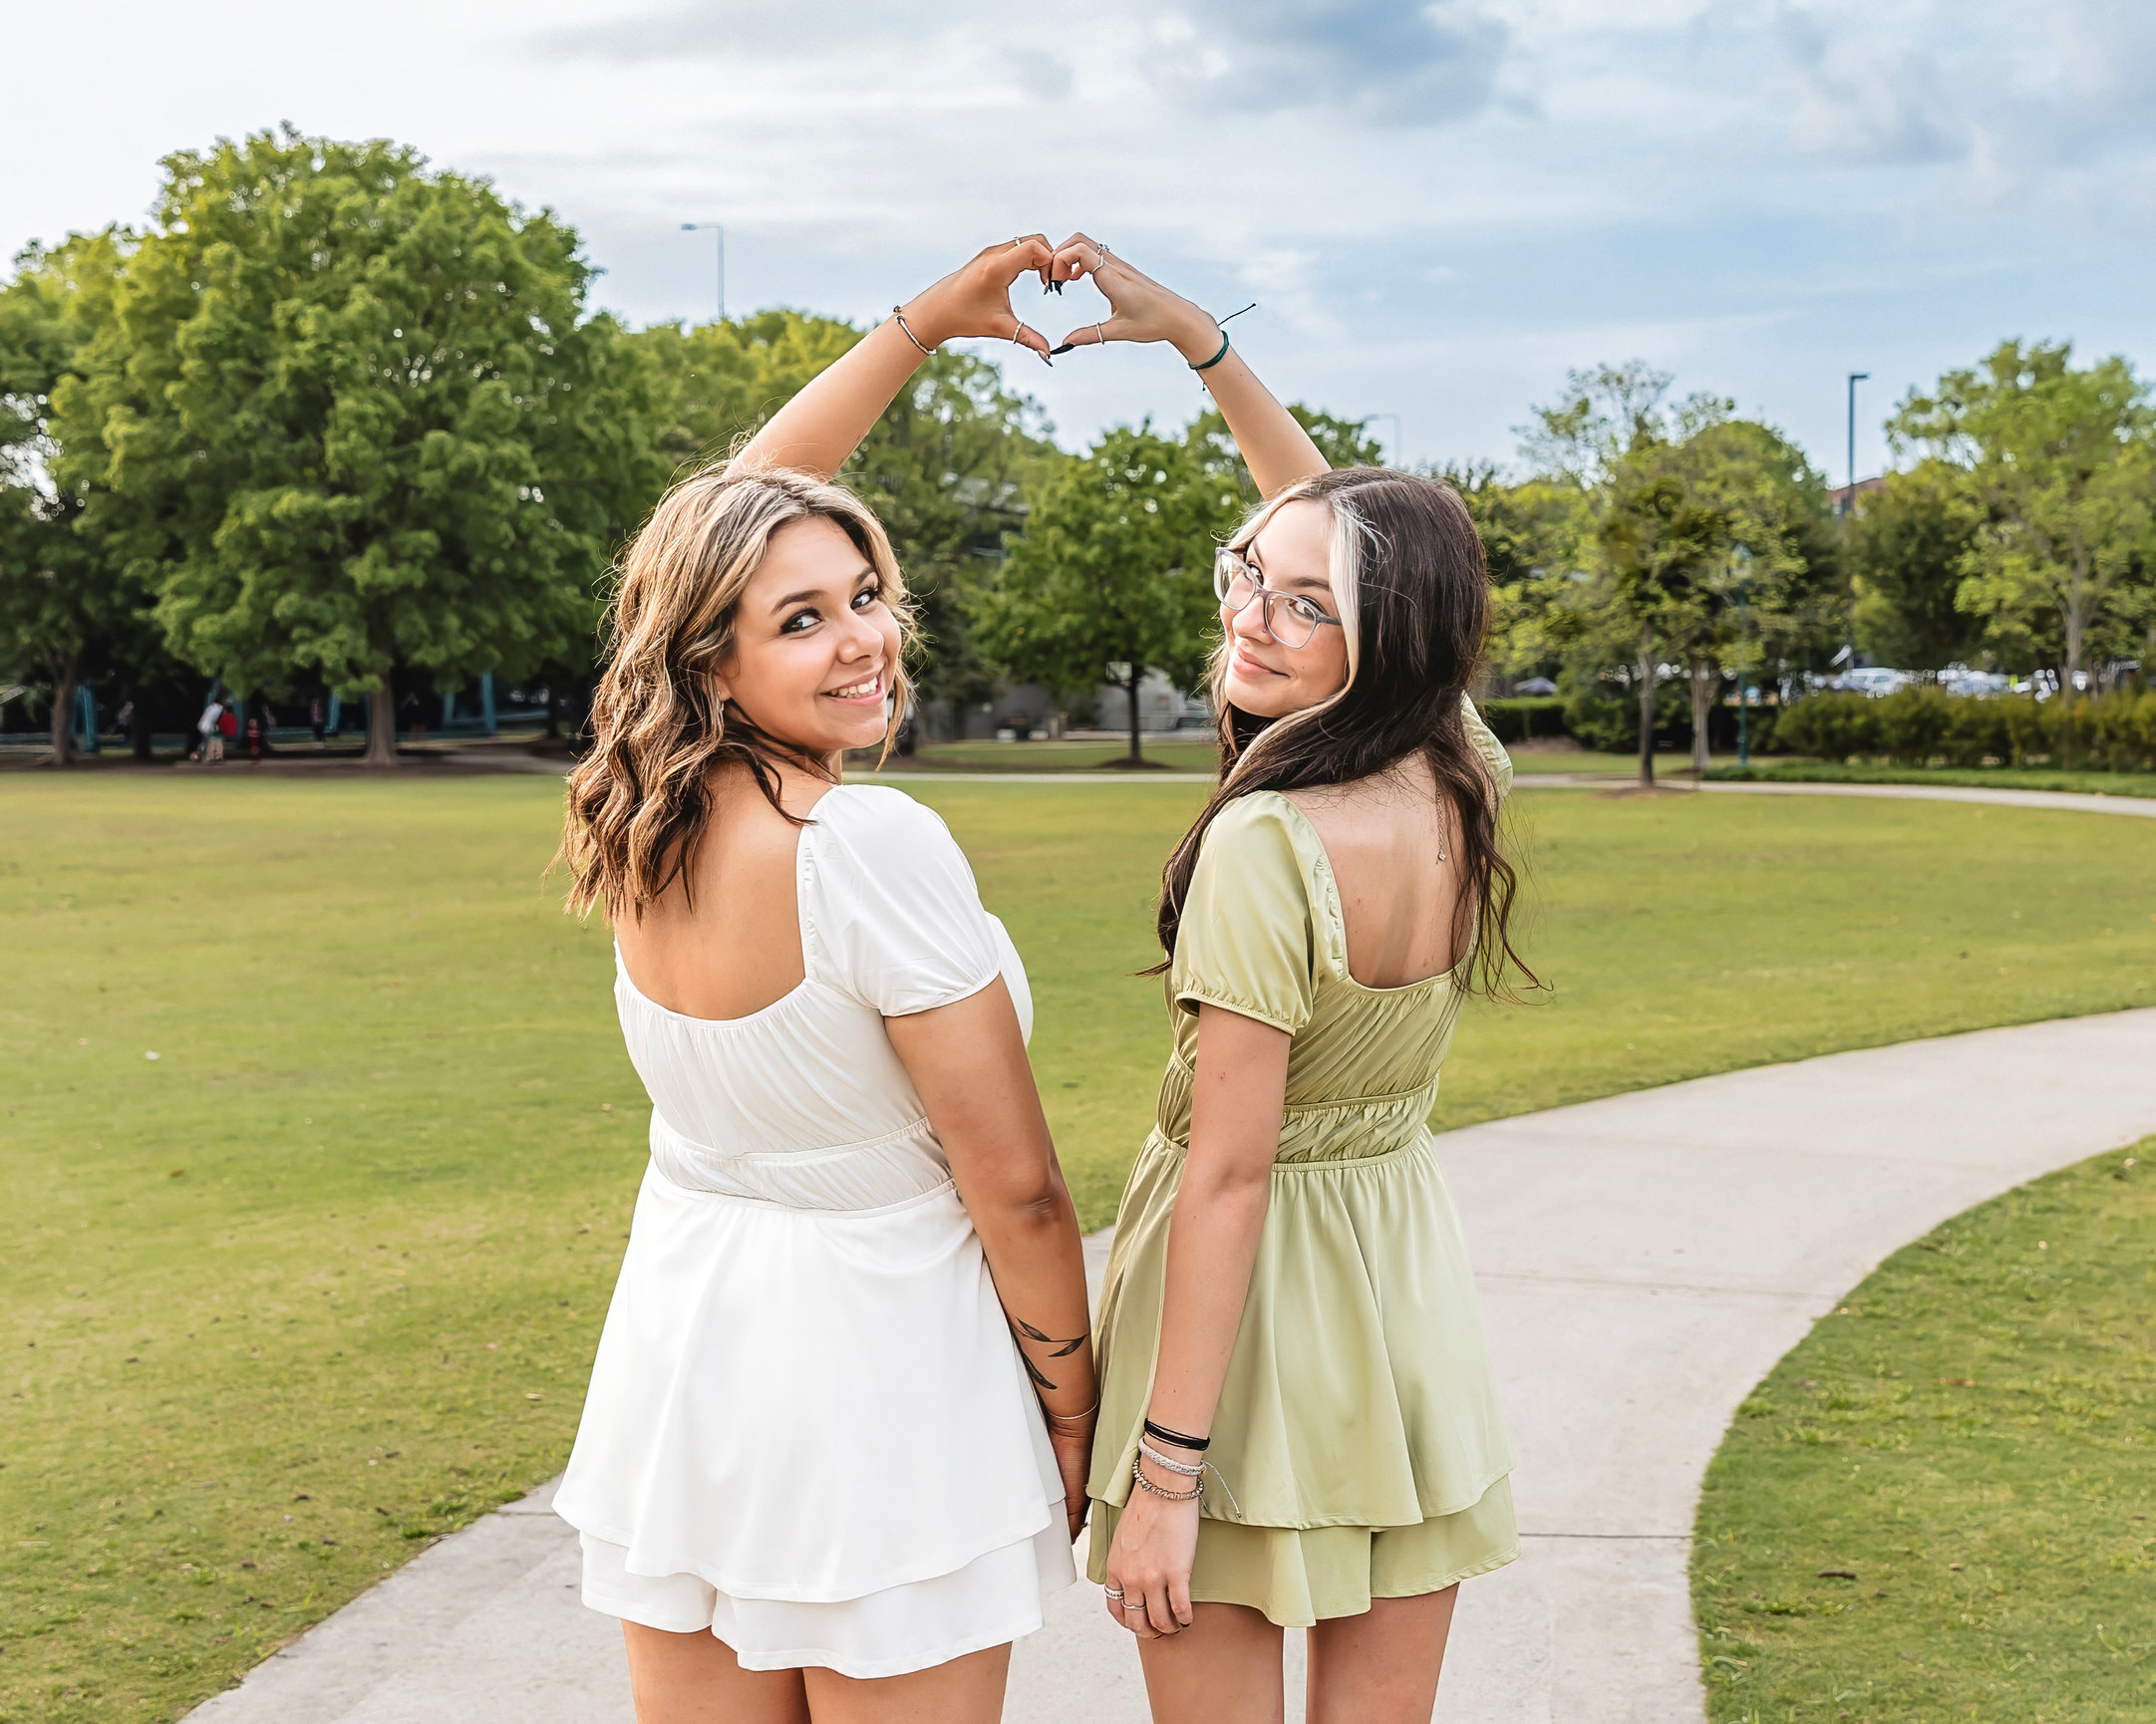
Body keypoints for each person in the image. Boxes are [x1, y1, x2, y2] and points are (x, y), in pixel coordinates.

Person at [551, 237, 1094, 1724]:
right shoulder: (861, 842)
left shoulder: (647, 809)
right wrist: (1070, 1407)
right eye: (803, 620)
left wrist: (920, 329)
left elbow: (717, 537)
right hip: (884, 1374)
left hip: (691, 1351)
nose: (862, 637)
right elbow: (1019, 1188)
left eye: (862, 593)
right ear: (715, 659)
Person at [1049, 235, 1532, 1724]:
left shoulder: (1267, 841)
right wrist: (1201, 344)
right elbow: (1346, 533)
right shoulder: (1462, 773)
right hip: (1395, 1305)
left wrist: (1162, 1476)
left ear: (1378, 640)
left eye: (1301, 606)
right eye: (1247, 579)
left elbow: (1230, 1178)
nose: (1249, 612)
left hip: (1243, 1340)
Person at [196, 698, 223, 763]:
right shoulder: (219, 707)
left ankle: (199, 754)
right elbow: (218, 717)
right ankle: (207, 758)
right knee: (211, 741)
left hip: (201, 725)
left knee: (205, 740)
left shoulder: (210, 707)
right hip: (207, 727)